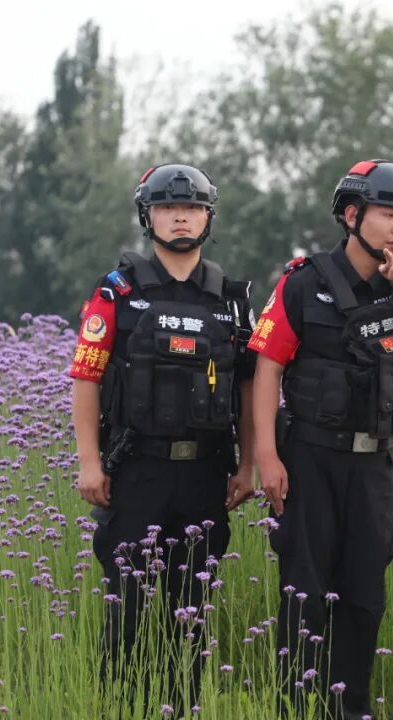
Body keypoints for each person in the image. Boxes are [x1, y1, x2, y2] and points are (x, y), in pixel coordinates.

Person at [248, 159, 393, 719]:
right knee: (304, 593)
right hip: (309, 460)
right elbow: (267, 367)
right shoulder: (303, 283)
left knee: (364, 598)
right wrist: (266, 456)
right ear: (352, 215)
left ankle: (351, 708)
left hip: (374, 466)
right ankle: (297, 708)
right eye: (388, 214)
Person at [68, 163, 257, 715]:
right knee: (126, 613)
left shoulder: (231, 299)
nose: (180, 217)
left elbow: (249, 389)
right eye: (168, 207)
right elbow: (86, 378)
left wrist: (248, 464)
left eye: (192, 207)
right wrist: (88, 463)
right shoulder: (117, 291)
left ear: (208, 217)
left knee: (191, 617)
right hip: (135, 472)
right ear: (147, 216)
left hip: (205, 475)